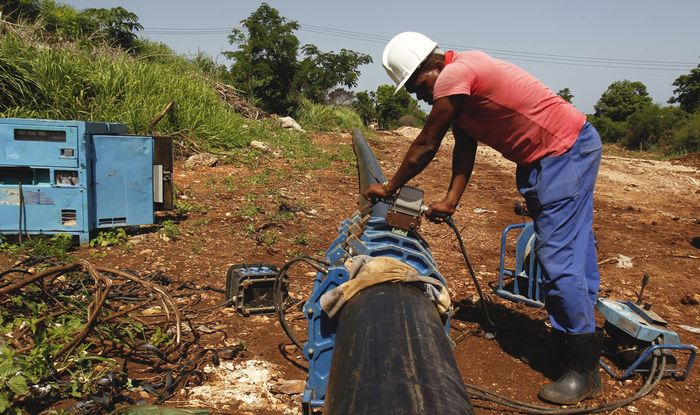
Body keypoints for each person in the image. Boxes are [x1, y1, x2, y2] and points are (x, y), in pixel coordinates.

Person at [364, 32, 604, 405]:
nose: (418, 95)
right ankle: (569, 345)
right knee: (572, 252)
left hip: (562, 153)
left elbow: (428, 142)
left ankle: (585, 371)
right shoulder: (462, 82)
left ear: (430, 66)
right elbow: (464, 147)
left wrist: (390, 185)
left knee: (561, 259)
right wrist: (451, 200)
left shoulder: (456, 76)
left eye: (415, 84)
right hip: (556, 154)